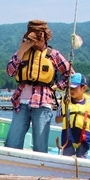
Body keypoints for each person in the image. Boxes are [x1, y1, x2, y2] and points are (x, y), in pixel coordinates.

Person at [4, 20, 73, 153]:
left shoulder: (53, 54)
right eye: (30, 39)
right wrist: (21, 51)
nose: (33, 43)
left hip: (42, 104)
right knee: (12, 144)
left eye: (35, 39)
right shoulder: (22, 52)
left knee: (40, 147)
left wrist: (56, 86)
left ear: (44, 38)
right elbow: (10, 71)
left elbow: (70, 75)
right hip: (21, 103)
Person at [55, 73, 90, 157]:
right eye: (70, 88)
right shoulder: (65, 101)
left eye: (74, 88)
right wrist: (66, 116)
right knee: (67, 160)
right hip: (68, 136)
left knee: (82, 160)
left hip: (83, 136)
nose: (71, 90)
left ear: (84, 88)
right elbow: (57, 120)